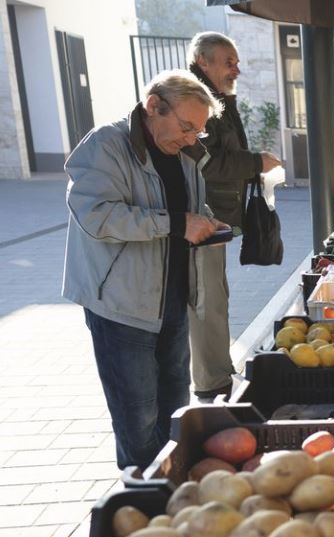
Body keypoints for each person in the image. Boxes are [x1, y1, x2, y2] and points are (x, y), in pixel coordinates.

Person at [63, 70, 227, 470]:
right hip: (122, 306)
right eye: (187, 127)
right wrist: (176, 223)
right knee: (137, 419)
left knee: (175, 409)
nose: (191, 138)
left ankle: (172, 485)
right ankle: (141, 492)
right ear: (154, 106)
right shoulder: (105, 145)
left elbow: (182, 208)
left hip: (172, 300)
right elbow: (97, 216)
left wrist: (205, 222)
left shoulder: (183, 153)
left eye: (199, 131)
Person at [188, 32, 282, 399]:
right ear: (202, 60)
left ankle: (216, 371)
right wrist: (256, 162)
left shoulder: (216, 96)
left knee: (214, 295)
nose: (236, 70)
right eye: (229, 62)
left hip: (213, 216)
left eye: (237, 62)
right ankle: (213, 381)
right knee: (207, 299)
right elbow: (208, 162)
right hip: (202, 216)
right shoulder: (196, 99)